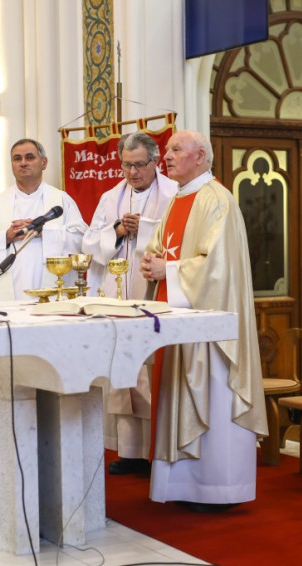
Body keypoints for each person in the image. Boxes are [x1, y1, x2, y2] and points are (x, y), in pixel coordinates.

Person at [139, 130, 267, 510]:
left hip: (210, 329)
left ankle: (216, 488)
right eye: (167, 150)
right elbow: (161, 248)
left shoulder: (217, 200)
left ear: (200, 157)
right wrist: (151, 262)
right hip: (177, 318)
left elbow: (217, 269)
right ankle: (183, 486)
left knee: (213, 395)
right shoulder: (177, 200)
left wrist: (168, 269)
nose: (166, 156)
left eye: (176, 150)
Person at [82, 131, 177, 475]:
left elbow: (178, 238)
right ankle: (130, 450)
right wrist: (119, 231)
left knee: (150, 371)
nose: (132, 172)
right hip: (118, 296)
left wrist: (146, 229)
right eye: (126, 165)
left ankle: (156, 449)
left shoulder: (173, 194)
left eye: (139, 165)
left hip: (155, 295)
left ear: (155, 161)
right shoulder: (111, 197)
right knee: (122, 370)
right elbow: (89, 242)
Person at [0, 139, 87, 302]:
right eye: (17, 159)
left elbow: (82, 240)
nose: (23, 163)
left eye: (30, 157)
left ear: (44, 163)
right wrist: (6, 237)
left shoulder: (62, 200)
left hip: (55, 296)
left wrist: (44, 232)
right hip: (7, 300)